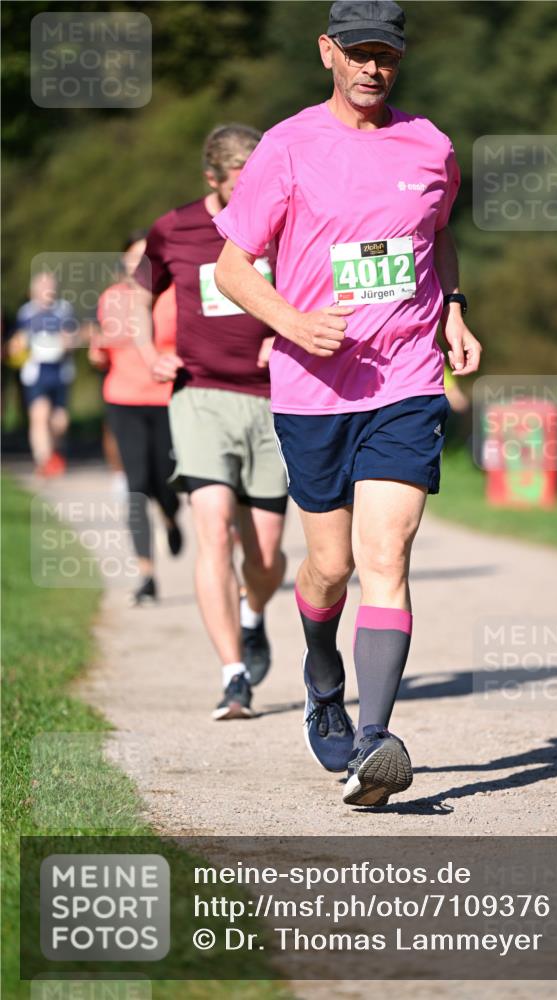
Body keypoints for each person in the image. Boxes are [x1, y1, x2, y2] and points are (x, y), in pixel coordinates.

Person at [213, 1, 482, 805]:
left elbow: (435, 234)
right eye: (359, 52)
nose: (373, 68)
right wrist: (292, 321)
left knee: (385, 559)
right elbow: (233, 268)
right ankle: (321, 675)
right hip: (312, 391)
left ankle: (374, 743)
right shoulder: (288, 147)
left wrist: (455, 307)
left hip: (404, 381)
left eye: (387, 56)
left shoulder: (429, 145)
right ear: (327, 50)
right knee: (327, 568)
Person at [132, 125, 288, 719]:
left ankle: (253, 617)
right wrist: (150, 355)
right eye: (240, 186)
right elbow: (138, 295)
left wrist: (287, 333)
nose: (254, 197)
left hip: (276, 400)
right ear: (212, 180)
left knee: (267, 556)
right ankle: (233, 676)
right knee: (214, 529)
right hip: (200, 395)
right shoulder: (174, 229)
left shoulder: (284, 220)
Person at [89, 231, 183, 606]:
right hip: (122, 399)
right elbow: (104, 353)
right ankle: (146, 574)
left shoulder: (174, 297)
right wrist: (96, 353)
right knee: (136, 485)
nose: (138, 264)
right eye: (132, 257)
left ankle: (172, 517)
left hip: (164, 398)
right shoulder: (110, 299)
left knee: (164, 480)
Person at [13, 271, 77, 476]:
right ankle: (44, 460)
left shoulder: (64, 310)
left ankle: (54, 452)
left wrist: (67, 342)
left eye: (50, 285)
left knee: (59, 421)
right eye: (43, 286)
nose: (47, 290)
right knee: (39, 416)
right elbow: (18, 340)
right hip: (37, 371)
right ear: (34, 290)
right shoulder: (26, 313)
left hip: (60, 370)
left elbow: (72, 336)